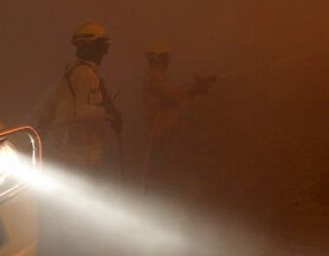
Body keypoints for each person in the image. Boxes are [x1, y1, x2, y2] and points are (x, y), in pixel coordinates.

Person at [38, 20, 122, 176]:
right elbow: (83, 111)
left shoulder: (73, 71)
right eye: (102, 47)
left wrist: (42, 127)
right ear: (92, 47)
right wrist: (109, 113)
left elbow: (52, 104)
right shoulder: (87, 75)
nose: (104, 53)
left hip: (65, 148)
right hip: (80, 153)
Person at [141, 40, 214, 189]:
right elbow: (168, 97)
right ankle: (158, 192)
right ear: (155, 58)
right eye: (164, 57)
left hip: (164, 128)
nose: (167, 61)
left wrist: (194, 88)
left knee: (164, 164)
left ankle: (161, 189)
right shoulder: (154, 76)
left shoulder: (157, 75)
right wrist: (195, 90)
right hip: (159, 130)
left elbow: (173, 93)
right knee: (160, 166)